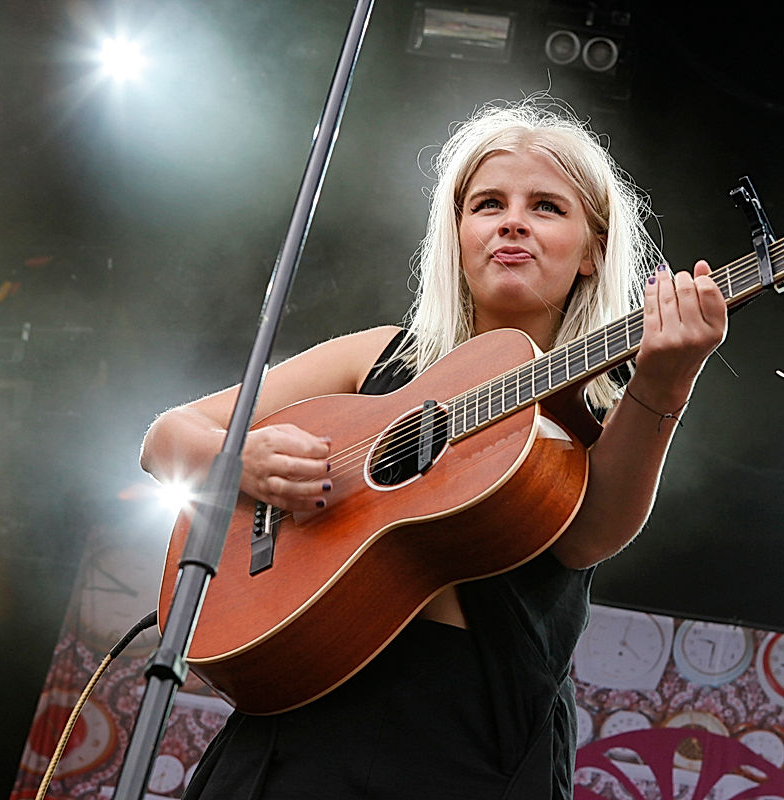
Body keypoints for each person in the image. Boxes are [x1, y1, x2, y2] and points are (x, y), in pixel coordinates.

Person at [140, 98, 728, 799]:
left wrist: (666, 380)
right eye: (487, 204)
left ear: (593, 251)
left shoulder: (605, 401)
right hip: (301, 720)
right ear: (457, 234)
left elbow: (588, 537)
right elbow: (167, 437)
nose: (512, 221)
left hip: (470, 736)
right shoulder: (377, 358)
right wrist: (238, 462)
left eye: (546, 207)